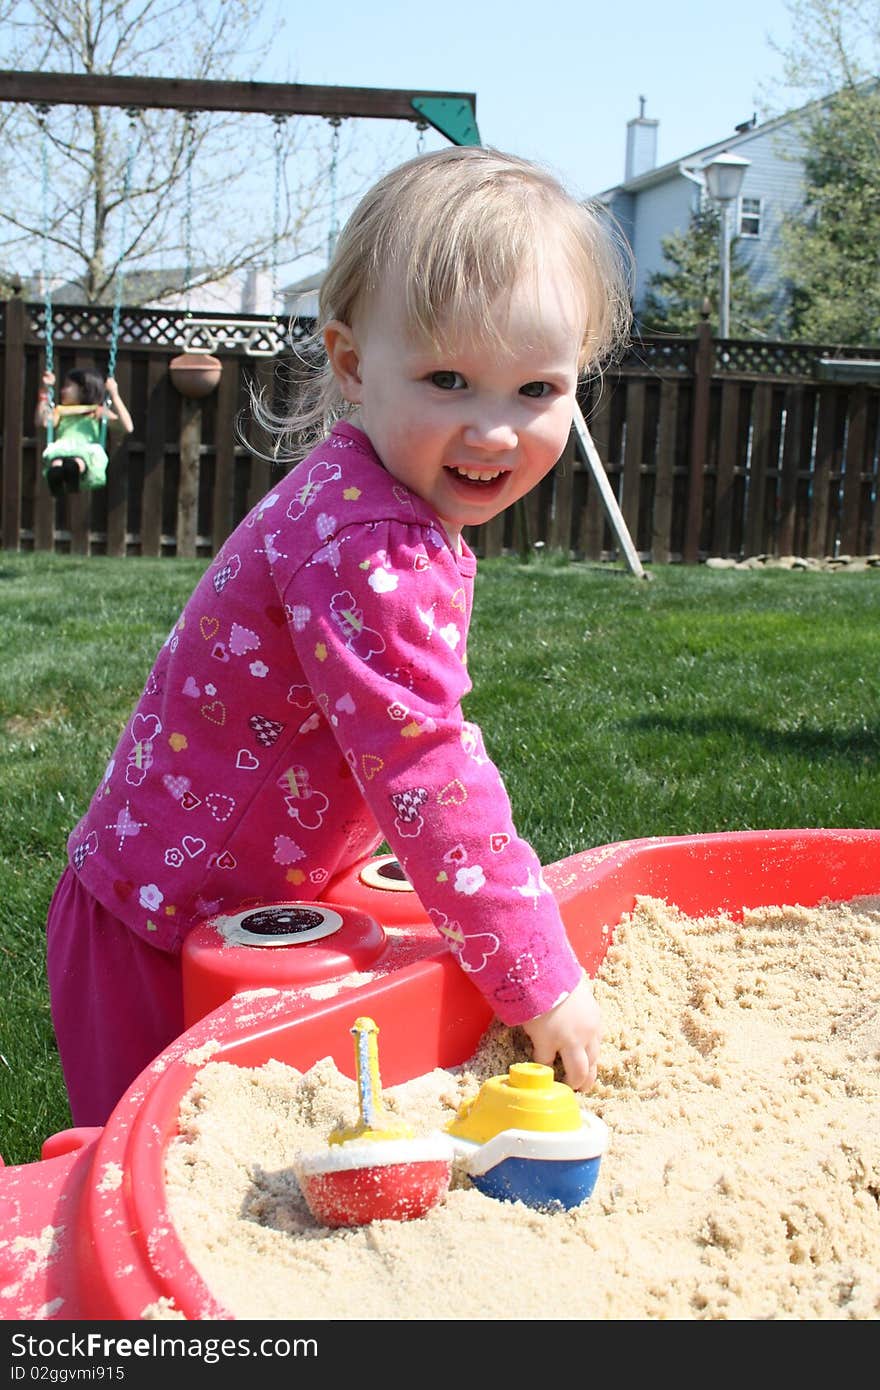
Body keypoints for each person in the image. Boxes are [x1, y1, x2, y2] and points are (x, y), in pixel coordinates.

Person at [46, 145, 633, 1127]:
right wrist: (538, 973)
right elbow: (422, 759)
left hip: (223, 906)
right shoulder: (368, 539)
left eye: (535, 390)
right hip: (163, 934)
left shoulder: (373, 491)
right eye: (449, 378)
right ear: (353, 365)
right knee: (145, 1175)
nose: (495, 429)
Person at [37, 366, 134, 496]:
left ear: (83, 390)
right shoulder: (60, 412)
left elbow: (127, 427)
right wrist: (44, 391)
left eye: (67, 386)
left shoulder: (97, 412)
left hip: (86, 449)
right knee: (57, 462)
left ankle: (74, 472)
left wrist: (115, 395)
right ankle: (57, 479)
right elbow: (41, 421)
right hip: (63, 447)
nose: (62, 390)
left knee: (79, 460)